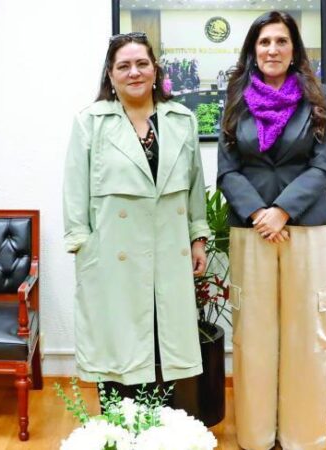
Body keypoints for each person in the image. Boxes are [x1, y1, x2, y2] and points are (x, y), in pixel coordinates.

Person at [63, 32, 210, 400]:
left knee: (167, 343)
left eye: (142, 64)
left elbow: (195, 184)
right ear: (110, 74)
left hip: (169, 250)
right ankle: (119, 426)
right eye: (124, 66)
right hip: (114, 252)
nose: (134, 72)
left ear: (155, 70)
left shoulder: (182, 120)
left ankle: (168, 426)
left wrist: (198, 237)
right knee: (119, 343)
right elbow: (74, 189)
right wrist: (83, 245)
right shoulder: (90, 122)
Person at [217, 11, 326, 450]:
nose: (272, 49)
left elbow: (324, 165)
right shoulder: (236, 95)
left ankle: (302, 437)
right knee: (253, 335)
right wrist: (258, 213)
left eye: (281, 41)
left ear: (294, 49)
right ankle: (256, 436)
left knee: (308, 335)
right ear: (253, 49)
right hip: (251, 229)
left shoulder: (319, 95)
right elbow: (227, 169)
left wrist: (283, 210)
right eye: (264, 41)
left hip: (306, 226)